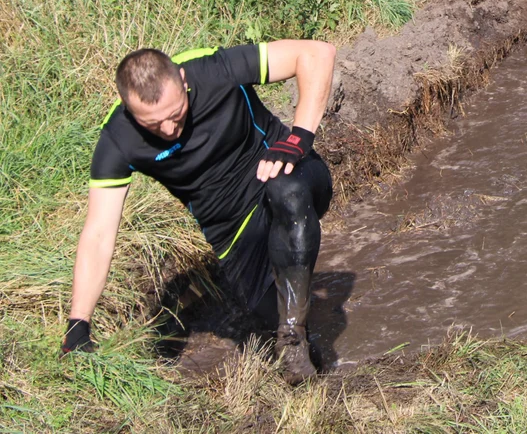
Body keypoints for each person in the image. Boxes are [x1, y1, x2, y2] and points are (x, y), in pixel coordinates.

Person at [61, 39, 336, 385]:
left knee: (287, 191)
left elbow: (315, 53)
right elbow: (99, 232)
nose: (168, 129)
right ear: (131, 112)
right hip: (233, 233)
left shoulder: (211, 69)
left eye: (175, 114)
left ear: (182, 80)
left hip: (289, 174)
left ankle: (293, 331)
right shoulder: (118, 140)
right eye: (153, 124)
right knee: (284, 335)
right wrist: (78, 323)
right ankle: (313, 370)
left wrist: (297, 140)